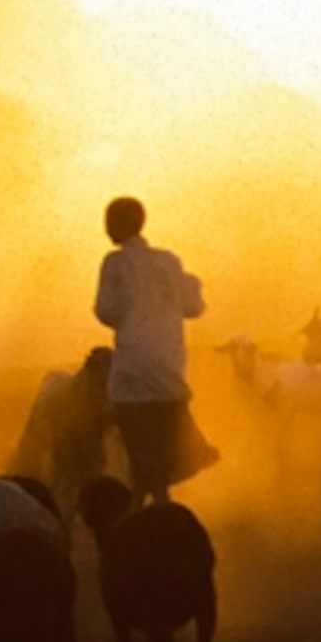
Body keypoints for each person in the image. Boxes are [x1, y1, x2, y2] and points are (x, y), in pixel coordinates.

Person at [94, 196, 210, 505]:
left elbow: (106, 311)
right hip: (169, 369)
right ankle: (154, 504)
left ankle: (150, 507)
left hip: (132, 372)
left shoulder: (114, 263)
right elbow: (193, 307)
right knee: (161, 447)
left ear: (120, 225)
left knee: (139, 451)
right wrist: (193, 284)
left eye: (108, 222)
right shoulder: (169, 261)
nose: (105, 229)